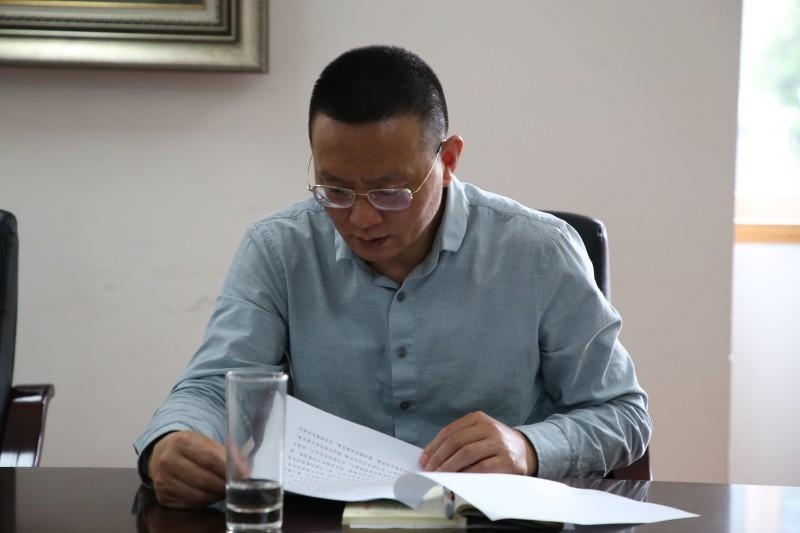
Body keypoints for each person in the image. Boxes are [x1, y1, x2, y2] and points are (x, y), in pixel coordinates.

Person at [135, 45, 651, 509]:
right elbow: (215, 388)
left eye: (390, 192)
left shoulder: (539, 251)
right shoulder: (279, 249)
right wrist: (170, 442)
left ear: (448, 161)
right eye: (335, 190)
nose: (361, 219)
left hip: (490, 520)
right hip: (329, 519)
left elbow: (622, 413)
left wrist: (529, 447)